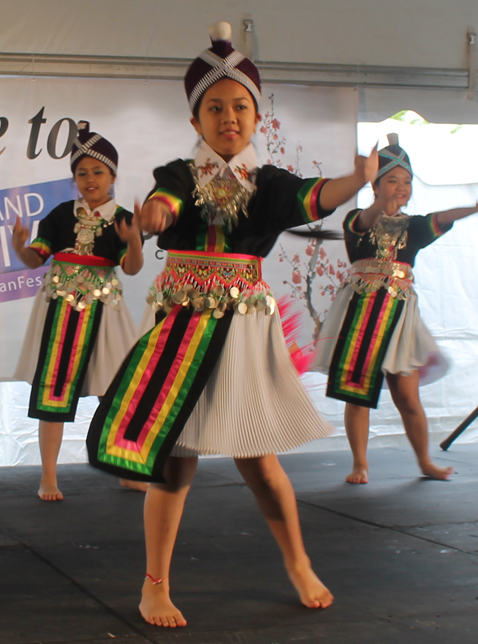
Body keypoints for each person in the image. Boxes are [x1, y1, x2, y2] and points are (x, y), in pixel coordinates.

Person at [86, 21, 377, 628]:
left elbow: (309, 198)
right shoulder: (179, 174)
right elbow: (166, 203)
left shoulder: (266, 183)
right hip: (181, 326)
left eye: (239, 106)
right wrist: (156, 217)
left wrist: (358, 181)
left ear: (255, 115)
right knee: (175, 460)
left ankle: (297, 562)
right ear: (196, 121)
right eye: (214, 108)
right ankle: (154, 585)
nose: (228, 118)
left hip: (242, 329)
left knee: (259, 461)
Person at [313, 134, 478, 485]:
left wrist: (473, 208)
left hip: (398, 319)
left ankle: (425, 461)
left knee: (408, 397)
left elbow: (441, 217)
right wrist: (381, 201)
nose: (401, 187)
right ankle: (360, 465)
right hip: (361, 315)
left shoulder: (414, 227)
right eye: (392, 180)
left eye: (407, 181)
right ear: (376, 185)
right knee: (357, 392)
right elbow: (366, 220)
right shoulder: (356, 221)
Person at [13, 121, 144, 501]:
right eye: (82, 173)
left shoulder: (123, 219)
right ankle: (48, 478)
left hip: (105, 310)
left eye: (98, 172)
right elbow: (33, 259)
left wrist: (134, 241)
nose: (90, 179)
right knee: (53, 390)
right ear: (74, 178)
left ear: (113, 175)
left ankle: (124, 469)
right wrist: (20, 245)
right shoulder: (59, 214)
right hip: (59, 309)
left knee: (117, 389)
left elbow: (132, 267)